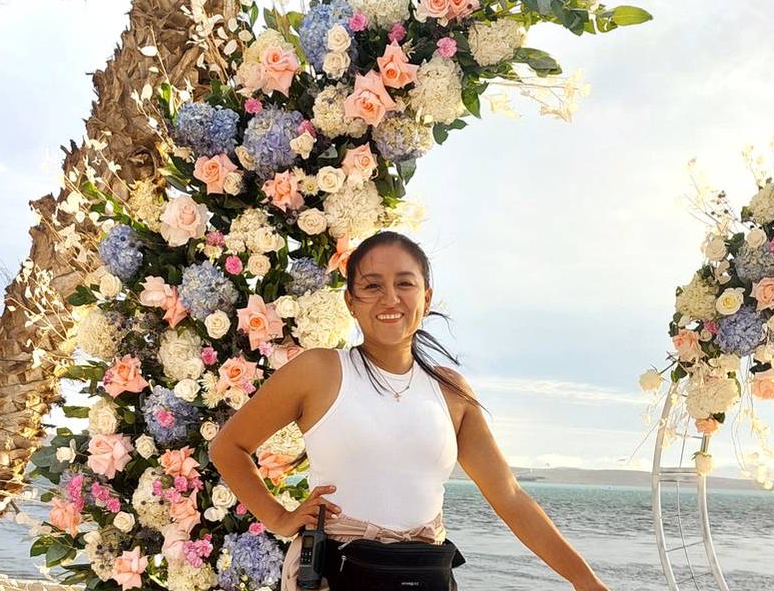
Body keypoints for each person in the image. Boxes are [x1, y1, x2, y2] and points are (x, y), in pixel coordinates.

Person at [209, 231, 609, 590]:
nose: (390, 298)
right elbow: (228, 447)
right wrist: (279, 518)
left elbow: (509, 496)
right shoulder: (319, 371)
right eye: (372, 285)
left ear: (426, 298)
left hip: (426, 576)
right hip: (337, 576)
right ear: (351, 301)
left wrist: (584, 581)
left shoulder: (450, 392)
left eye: (405, 284)